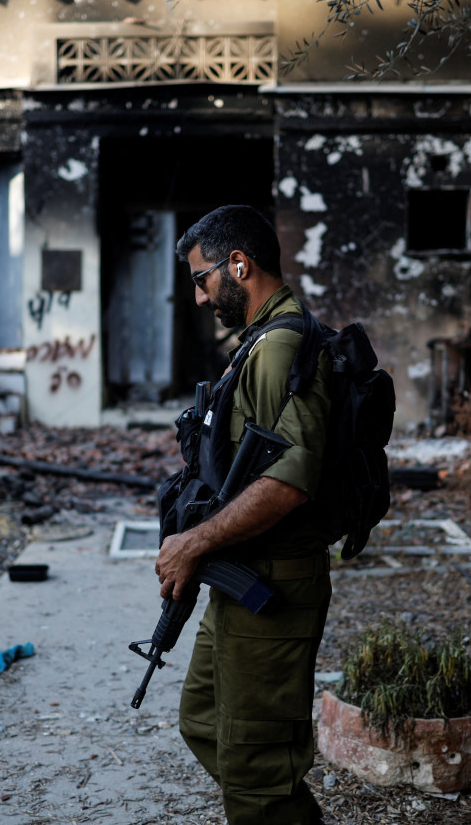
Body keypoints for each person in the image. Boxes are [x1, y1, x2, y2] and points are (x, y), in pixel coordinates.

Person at [156, 205, 333, 825]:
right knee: (205, 720)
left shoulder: (282, 345)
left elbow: (290, 482)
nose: (201, 297)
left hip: (274, 582)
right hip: (244, 572)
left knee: (256, 770)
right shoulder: (259, 343)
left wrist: (193, 542)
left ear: (240, 265)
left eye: (202, 279)